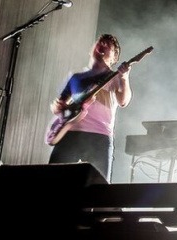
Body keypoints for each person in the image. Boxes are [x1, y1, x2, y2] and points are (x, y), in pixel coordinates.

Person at [47, 33, 132, 182]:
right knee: (55, 181)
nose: (103, 45)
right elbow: (58, 107)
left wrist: (124, 77)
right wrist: (61, 107)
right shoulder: (75, 78)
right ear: (92, 48)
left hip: (99, 137)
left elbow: (123, 101)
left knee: (98, 191)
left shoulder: (114, 77)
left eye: (108, 46)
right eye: (101, 42)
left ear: (114, 58)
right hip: (70, 135)